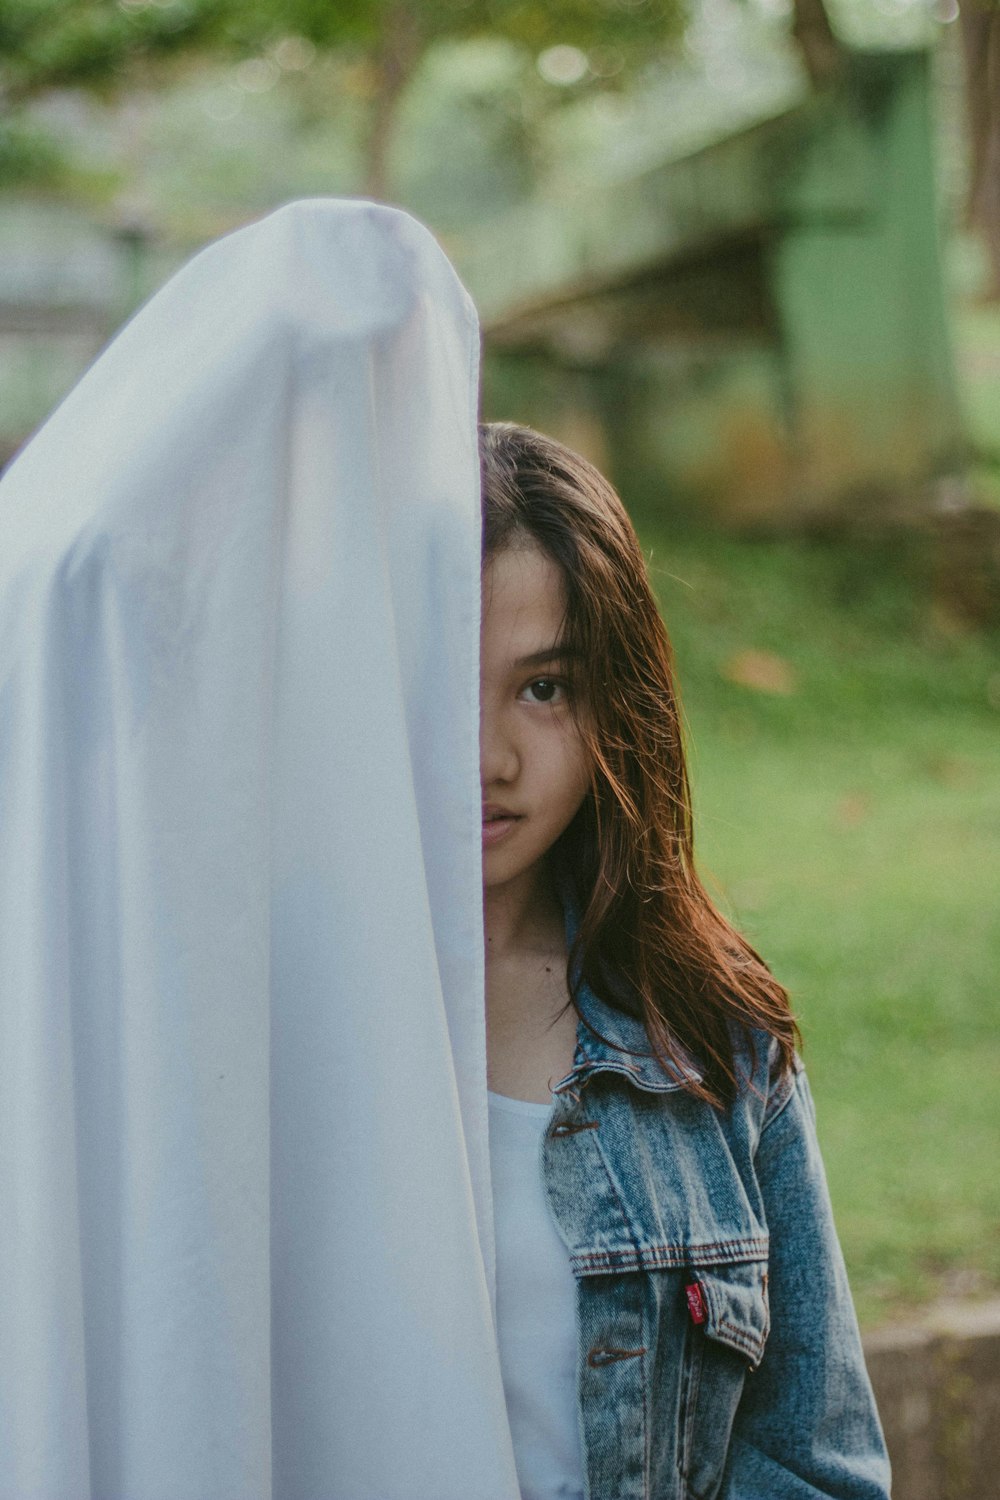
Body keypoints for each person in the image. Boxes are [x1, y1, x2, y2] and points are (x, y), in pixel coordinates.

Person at [476, 420, 891, 1500]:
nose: (489, 758)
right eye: (440, 684)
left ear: (615, 703)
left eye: (543, 688)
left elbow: (816, 1465)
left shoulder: (709, 1034)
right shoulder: (266, 1039)